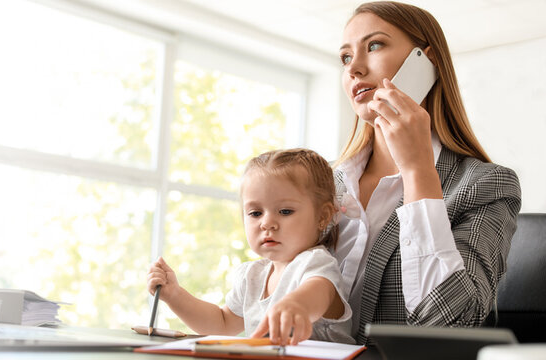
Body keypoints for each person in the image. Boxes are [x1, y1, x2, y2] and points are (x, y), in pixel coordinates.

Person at [334, 1, 521, 344]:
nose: (354, 69)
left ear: (428, 60)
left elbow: (450, 325)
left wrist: (418, 171)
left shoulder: (487, 185)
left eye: (374, 45)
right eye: (346, 57)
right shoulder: (325, 183)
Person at [146, 149, 354, 345]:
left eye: (285, 211)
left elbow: (319, 292)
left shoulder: (315, 263)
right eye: (255, 213)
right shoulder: (252, 276)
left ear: (323, 216)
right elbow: (222, 323)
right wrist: (175, 296)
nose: (267, 223)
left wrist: (296, 306)